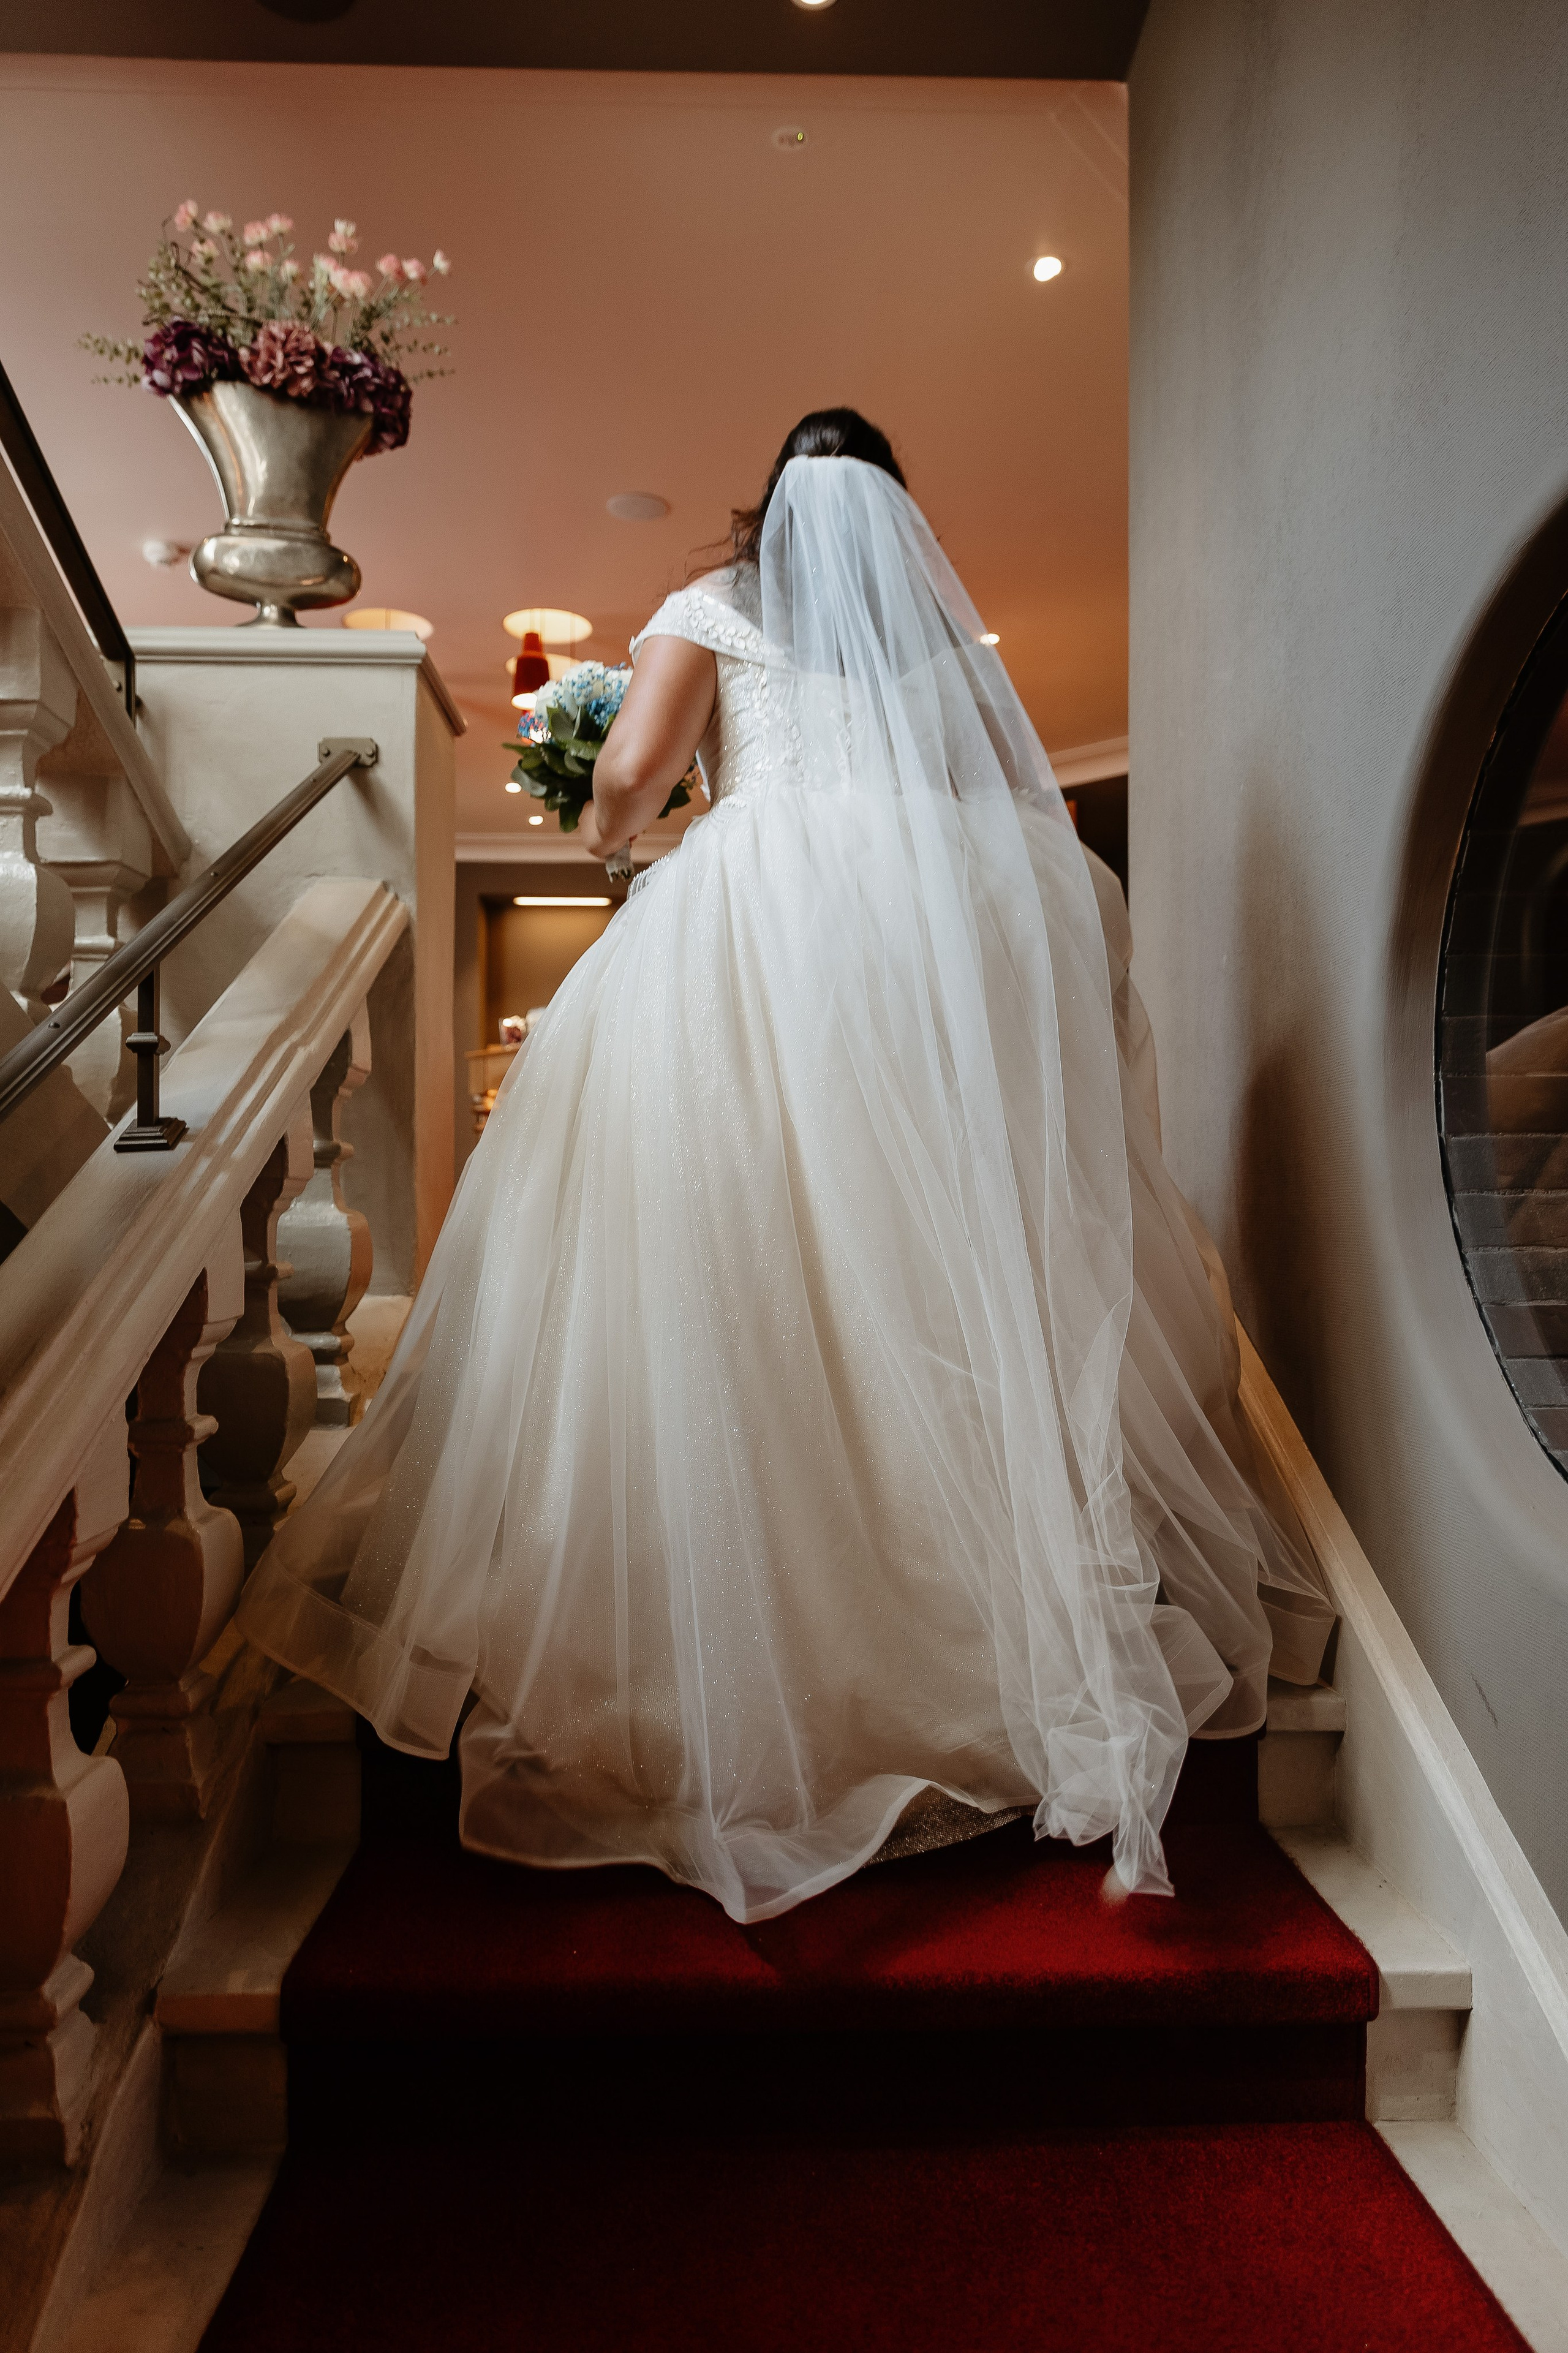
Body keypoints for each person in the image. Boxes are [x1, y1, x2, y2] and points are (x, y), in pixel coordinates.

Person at [238, 409, 1332, 1922]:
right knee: (925, 1275)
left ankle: (742, 1645)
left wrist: (630, 834)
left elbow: (629, 774)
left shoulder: (711, 610)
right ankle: (965, 1628)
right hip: (938, 941)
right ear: (894, 520)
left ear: (768, 510)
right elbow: (982, 790)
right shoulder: (934, 650)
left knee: (740, 1272)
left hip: (753, 935)